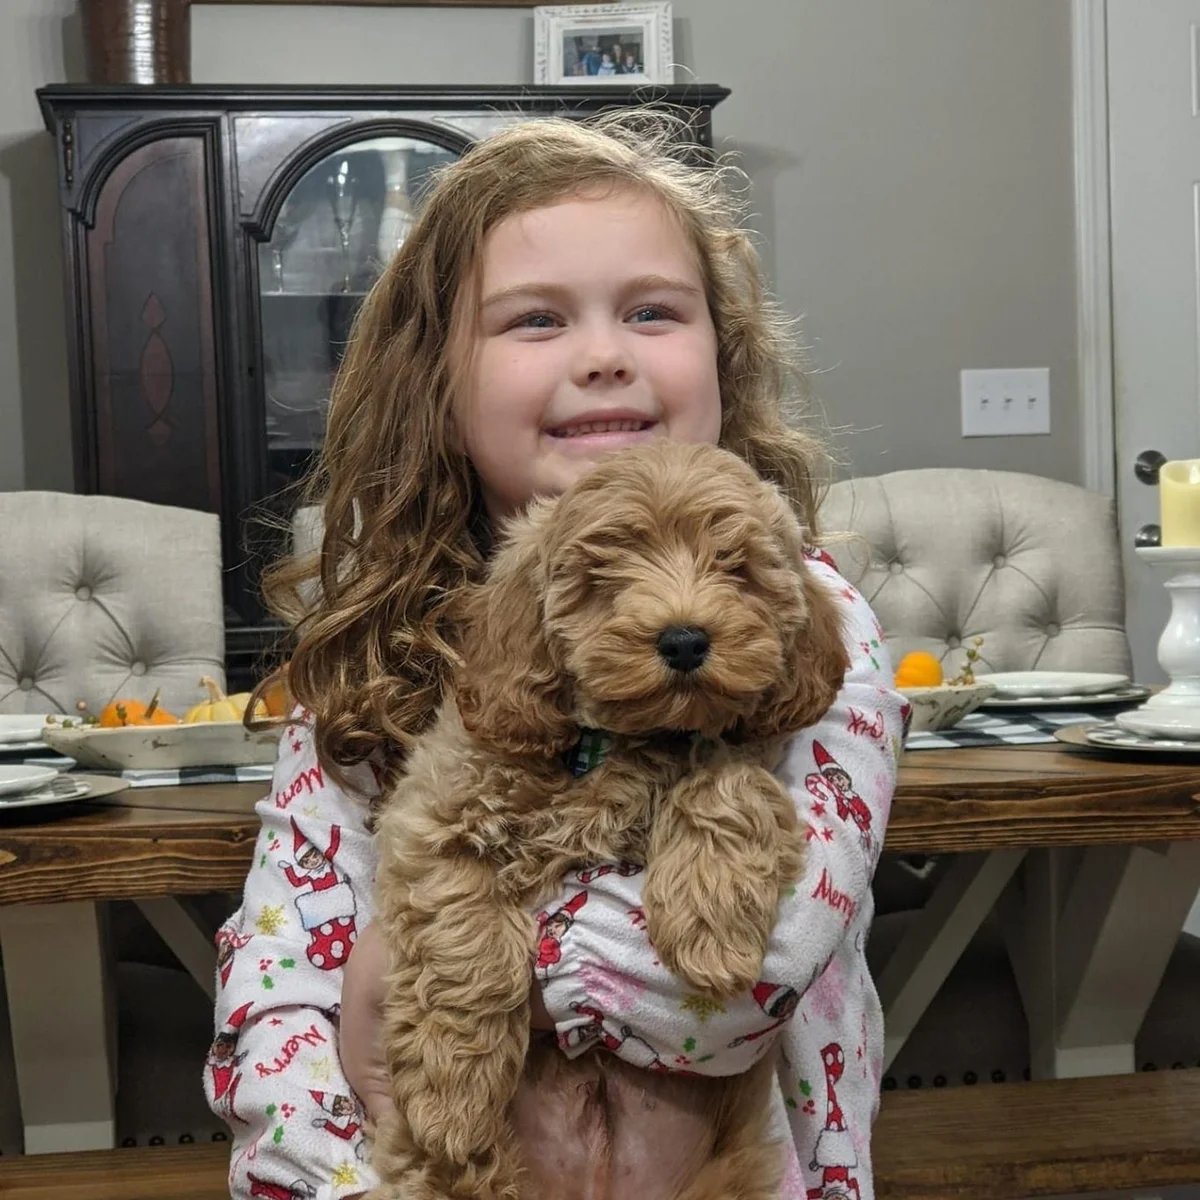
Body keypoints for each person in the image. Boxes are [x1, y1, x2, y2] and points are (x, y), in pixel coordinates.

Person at [206, 109, 907, 1200]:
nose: (604, 356)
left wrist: (422, 960)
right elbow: (279, 976)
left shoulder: (808, 611)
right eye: (535, 319)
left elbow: (740, 982)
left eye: (652, 312)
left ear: (723, 357)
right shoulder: (365, 651)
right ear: (434, 380)